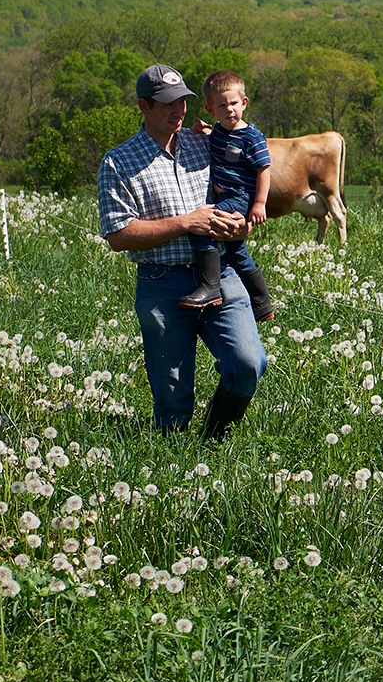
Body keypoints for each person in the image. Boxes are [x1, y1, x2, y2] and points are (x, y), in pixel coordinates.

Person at [97, 64, 268, 438]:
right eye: (167, 104)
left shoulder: (207, 142)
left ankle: (213, 439)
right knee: (172, 396)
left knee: (247, 364)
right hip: (161, 283)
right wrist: (185, 222)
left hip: (221, 273)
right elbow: (118, 234)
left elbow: (248, 179)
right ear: (143, 106)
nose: (179, 111)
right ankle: (174, 462)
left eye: (184, 102)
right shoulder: (118, 162)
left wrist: (241, 224)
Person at [178, 69, 276, 321]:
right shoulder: (220, 131)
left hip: (239, 196)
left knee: (203, 226)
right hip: (222, 197)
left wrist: (259, 204)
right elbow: (217, 139)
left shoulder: (252, 137)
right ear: (211, 110)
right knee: (236, 252)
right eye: (222, 105)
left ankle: (210, 288)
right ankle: (262, 303)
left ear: (244, 103)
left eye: (233, 103)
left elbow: (264, 169)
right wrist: (202, 131)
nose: (229, 109)